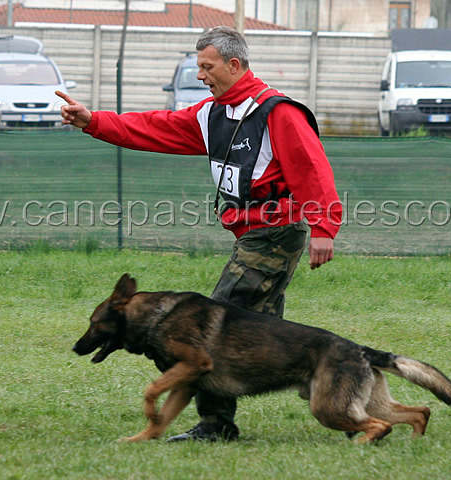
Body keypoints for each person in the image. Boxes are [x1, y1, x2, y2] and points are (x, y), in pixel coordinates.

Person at [56, 26, 342, 442]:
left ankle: (215, 424)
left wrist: (324, 227)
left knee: (214, 322)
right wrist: (93, 121)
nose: (200, 75)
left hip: (275, 231)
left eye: (207, 67)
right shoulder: (210, 114)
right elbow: (155, 127)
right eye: (198, 67)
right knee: (260, 335)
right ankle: (342, 390)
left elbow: (311, 168)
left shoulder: (278, 112)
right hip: (251, 233)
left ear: (234, 64)